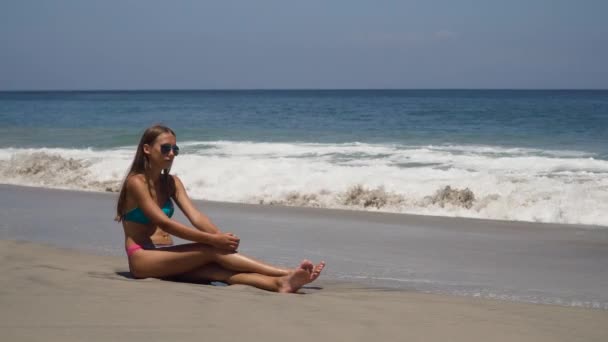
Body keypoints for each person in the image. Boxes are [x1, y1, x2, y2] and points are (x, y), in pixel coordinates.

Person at [115, 125, 325, 293]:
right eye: (165, 148)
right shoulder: (136, 182)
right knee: (210, 250)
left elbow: (196, 216)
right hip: (142, 258)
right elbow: (164, 222)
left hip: (168, 255)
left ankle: (281, 284)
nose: (172, 153)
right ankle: (286, 271)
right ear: (147, 149)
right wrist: (213, 242)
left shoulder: (172, 182)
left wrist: (220, 237)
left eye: (175, 149)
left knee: (218, 271)